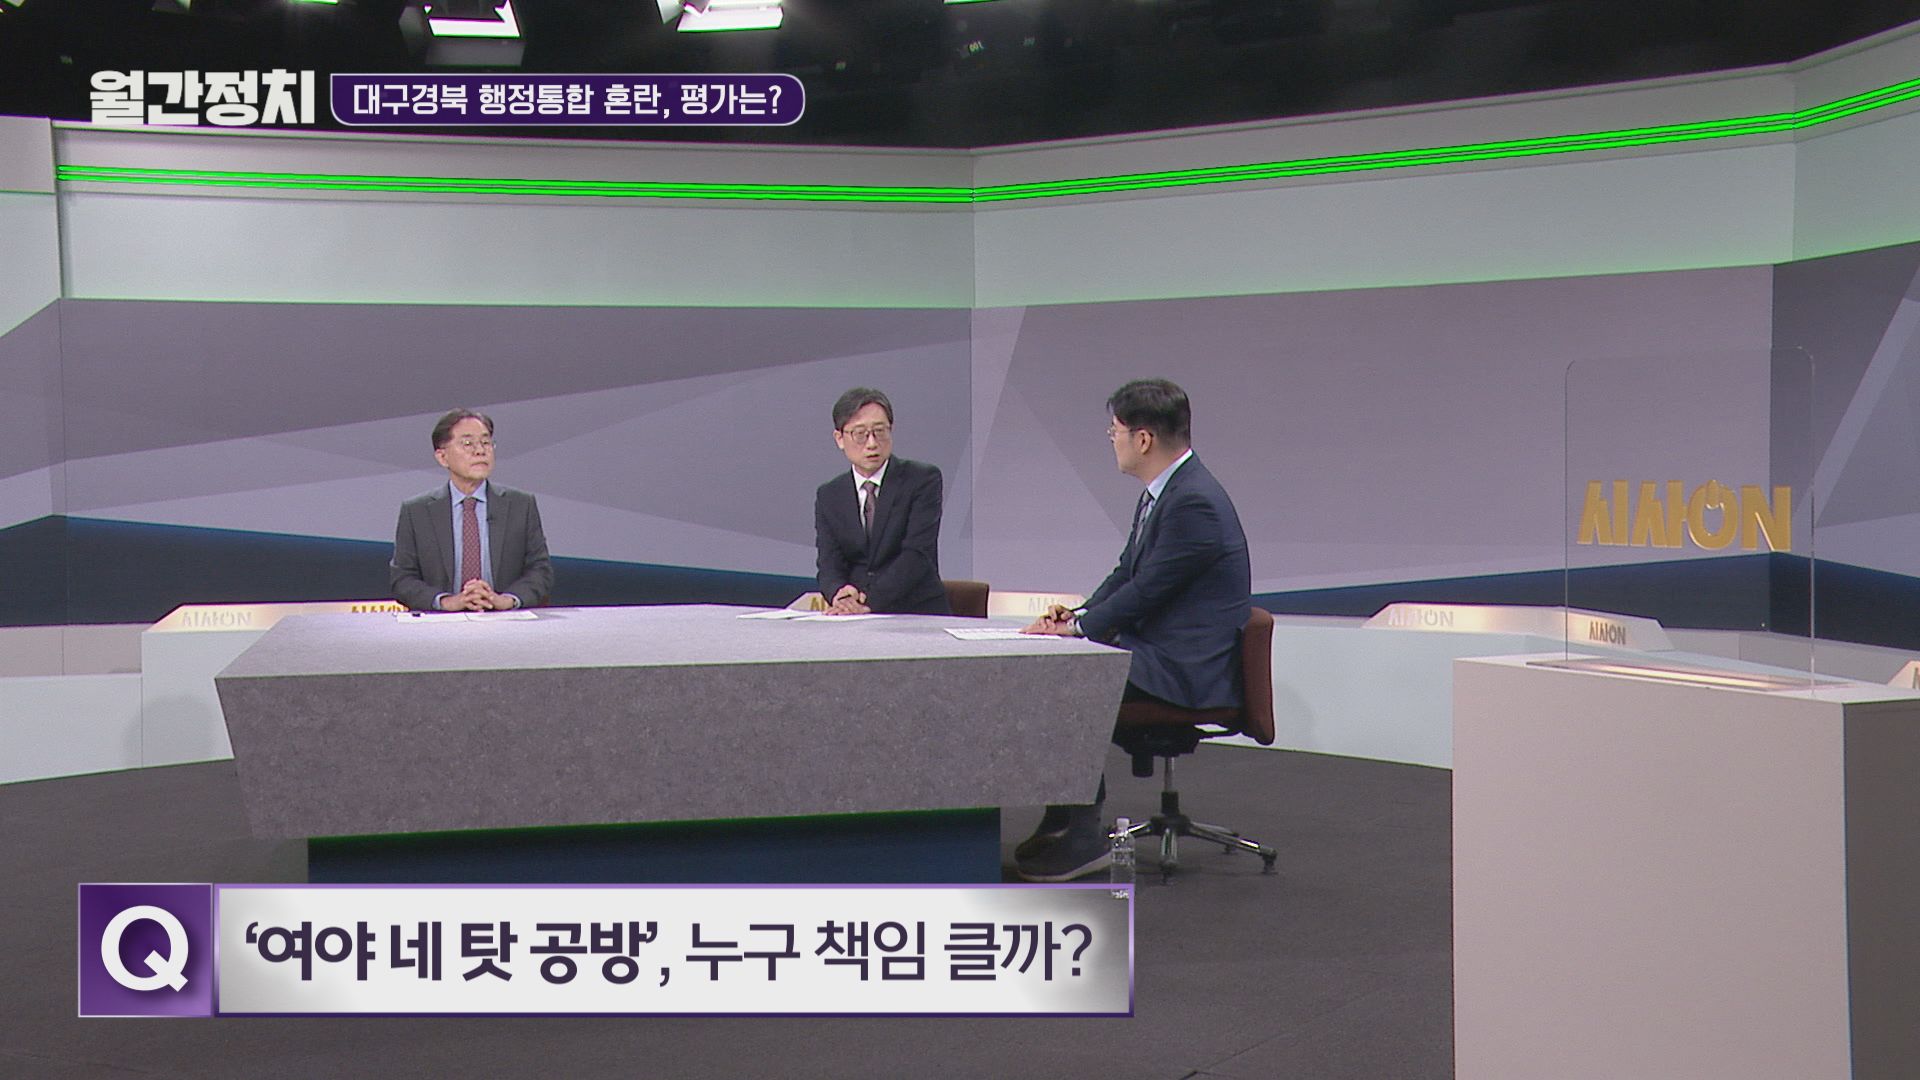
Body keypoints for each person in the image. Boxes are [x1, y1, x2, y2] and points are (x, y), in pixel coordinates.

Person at [1016, 378, 1252, 881]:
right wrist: (1075, 617)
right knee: (1052, 668)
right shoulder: (1163, 494)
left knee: (1063, 680)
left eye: (1115, 431)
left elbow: (1149, 590)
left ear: (1143, 439)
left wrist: (1082, 630)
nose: (1112, 440)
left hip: (1186, 667)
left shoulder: (1193, 502)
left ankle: (1083, 831)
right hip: (1159, 649)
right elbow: (1127, 573)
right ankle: (1064, 817)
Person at [390, 408, 554, 612]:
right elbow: (402, 579)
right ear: (442, 457)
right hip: (441, 623)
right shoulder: (417, 511)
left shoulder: (521, 505)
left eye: (486, 442)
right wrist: (446, 602)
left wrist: (506, 600)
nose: (480, 451)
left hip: (505, 620)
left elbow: (540, 571)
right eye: (468, 443)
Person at [813, 387, 949, 616]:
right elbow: (829, 562)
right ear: (839, 439)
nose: (872, 443)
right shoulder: (829, 495)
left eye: (880, 431)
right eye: (860, 434)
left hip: (916, 614)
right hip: (853, 618)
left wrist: (868, 602)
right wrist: (839, 594)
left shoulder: (922, 480)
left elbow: (916, 555)